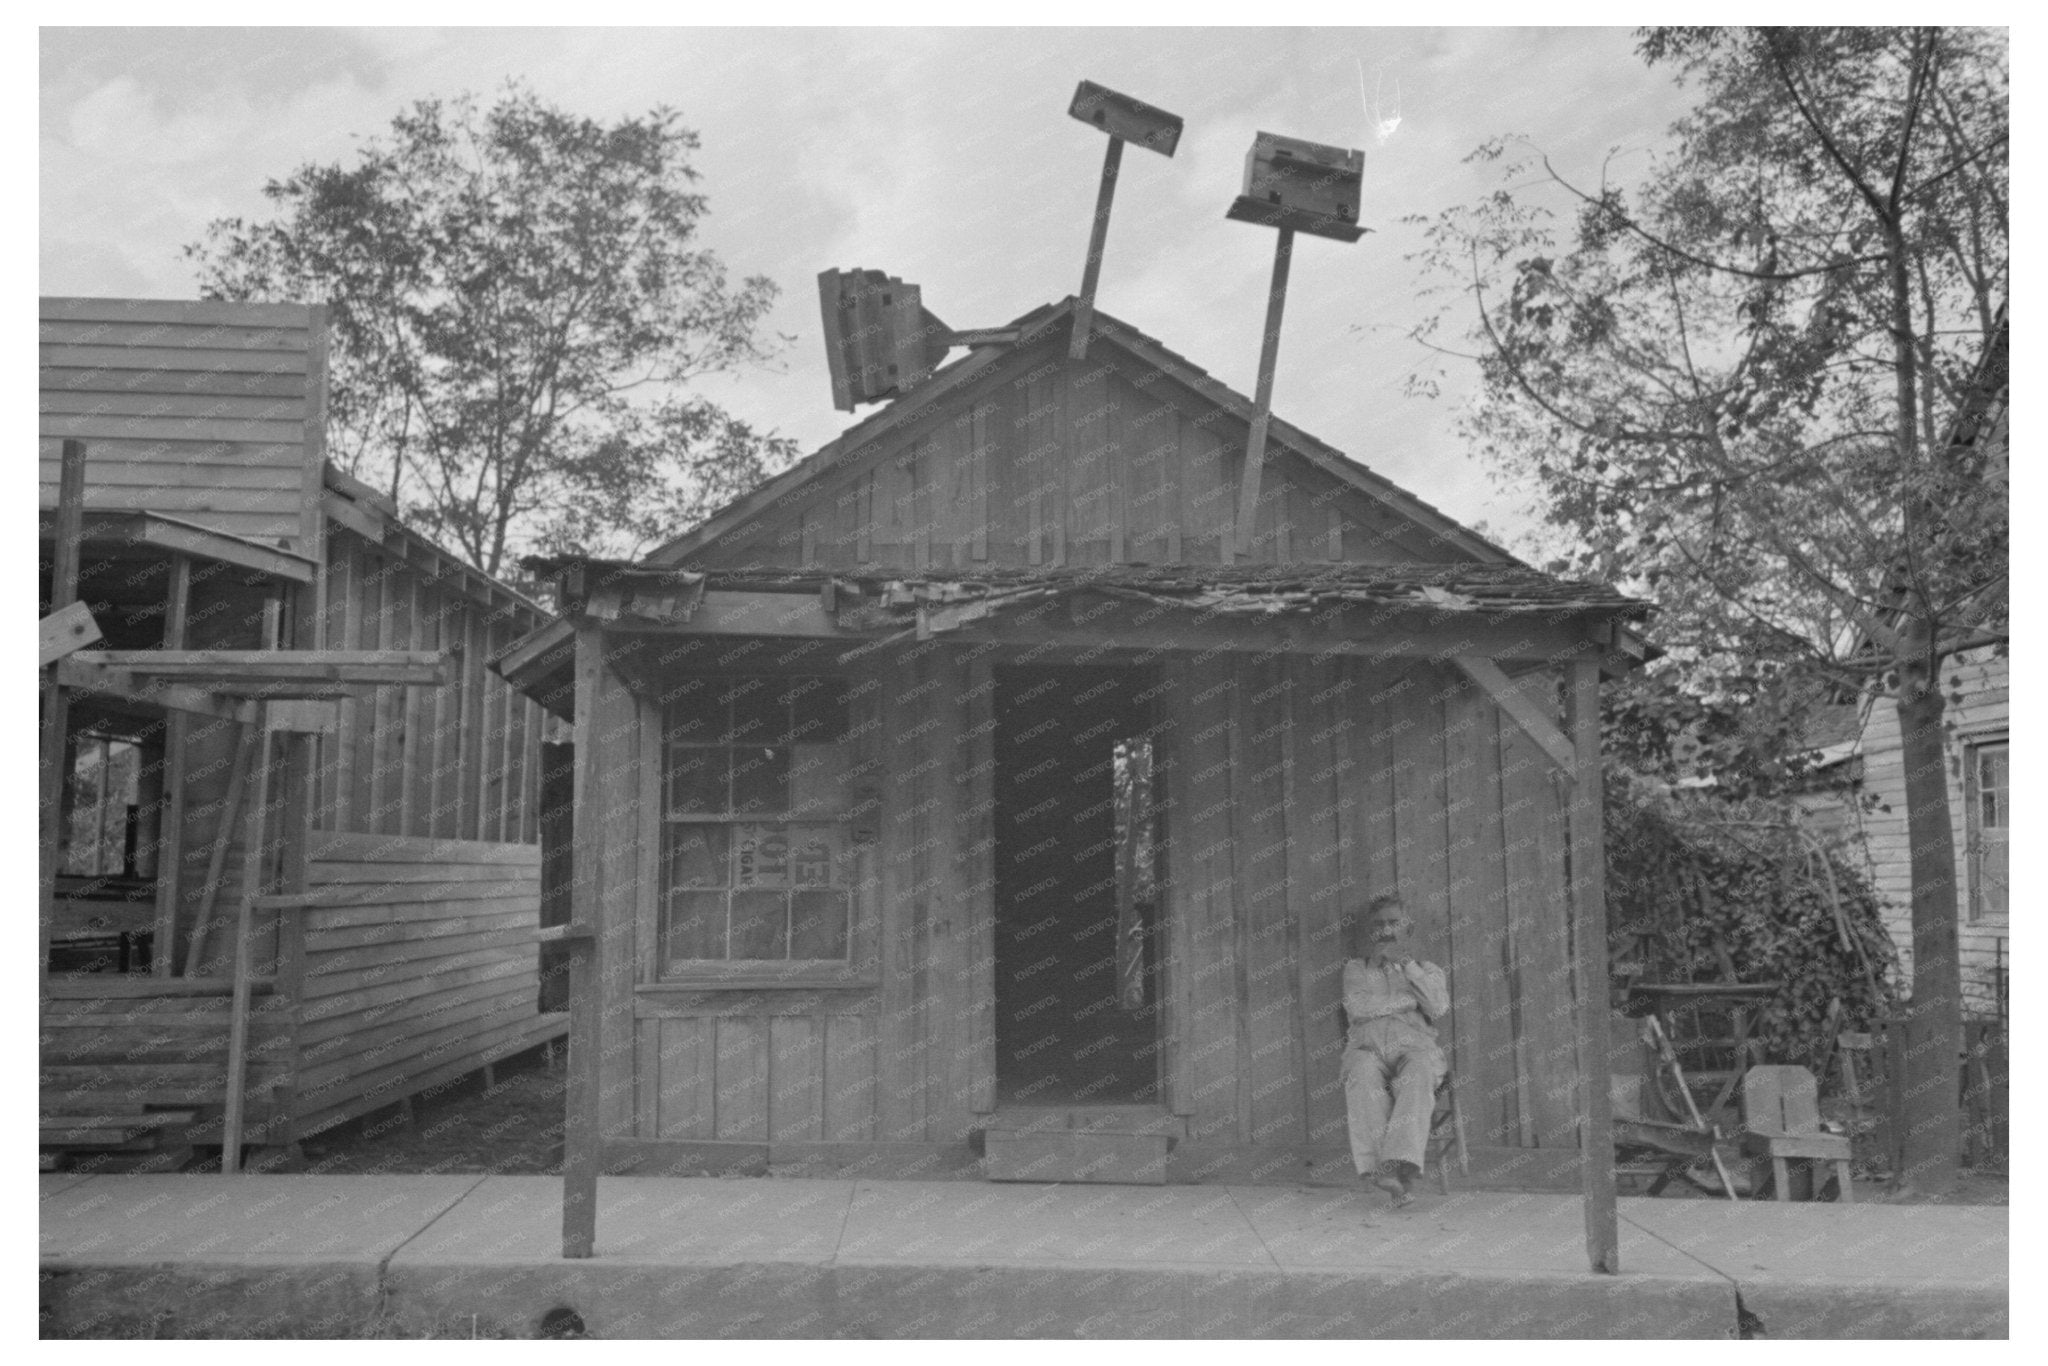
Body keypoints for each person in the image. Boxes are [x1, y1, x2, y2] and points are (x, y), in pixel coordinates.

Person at [1340, 893, 1450, 1207]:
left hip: (1414, 1048)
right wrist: (1407, 1002)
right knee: (1360, 1076)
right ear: (1370, 931)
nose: (1386, 930)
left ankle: (1392, 1166)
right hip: (1367, 1047)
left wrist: (1408, 967)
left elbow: (1438, 1007)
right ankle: (1386, 1171)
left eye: (1393, 922)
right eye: (1378, 924)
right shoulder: (1356, 969)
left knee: (1419, 1074)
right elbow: (1358, 1008)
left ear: (1408, 929)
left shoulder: (1427, 970)